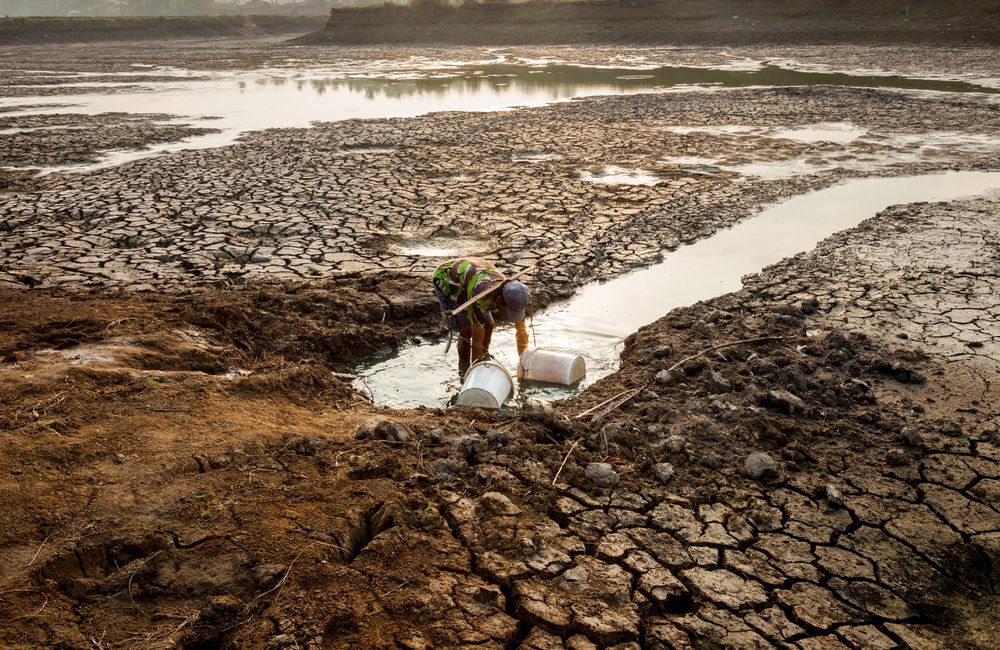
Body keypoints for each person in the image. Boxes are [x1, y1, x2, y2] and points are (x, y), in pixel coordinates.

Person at [432, 257, 530, 374]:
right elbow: (476, 345)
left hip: (471, 277)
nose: (508, 315)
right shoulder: (480, 295)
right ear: (498, 300)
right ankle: (463, 367)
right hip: (447, 278)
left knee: (490, 324)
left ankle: (484, 358)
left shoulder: (517, 295)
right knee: (467, 328)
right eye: (508, 311)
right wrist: (476, 375)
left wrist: (524, 364)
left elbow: (521, 331)